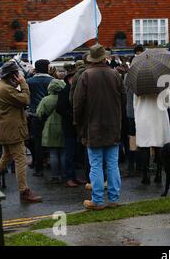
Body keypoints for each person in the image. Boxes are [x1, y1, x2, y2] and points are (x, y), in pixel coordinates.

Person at [73, 44, 126, 210]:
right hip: (112, 125)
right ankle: (114, 198)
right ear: (104, 58)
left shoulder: (86, 75)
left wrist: (78, 124)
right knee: (112, 164)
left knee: (95, 164)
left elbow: (78, 104)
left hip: (93, 126)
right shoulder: (115, 74)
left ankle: (97, 200)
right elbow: (123, 100)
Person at [0, 62, 42, 203]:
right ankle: (24, 191)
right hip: (12, 131)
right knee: (20, 159)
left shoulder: (4, 87)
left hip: (7, 130)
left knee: (5, 158)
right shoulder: (6, 89)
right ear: (12, 76)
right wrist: (23, 83)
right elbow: (25, 99)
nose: (19, 77)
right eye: (17, 75)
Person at [56, 69, 85, 187]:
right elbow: (59, 109)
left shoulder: (77, 90)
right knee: (70, 153)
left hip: (77, 125)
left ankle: (74, 176)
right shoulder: (64, 91)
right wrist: (73, 116)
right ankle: (69, 177)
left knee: (76, 153)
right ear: (69, 79)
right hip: (69, 126)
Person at [37, 79, 67, 184]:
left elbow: (39, 113)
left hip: (50, 128)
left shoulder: (46, 99)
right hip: (63, 126)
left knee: (53, 153)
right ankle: (64, 175)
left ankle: (55, 176)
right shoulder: (65, 97)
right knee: (63, 153)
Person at [26, 59, 53, 176]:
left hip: (34, 114)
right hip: (50, 114)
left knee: (37, 140)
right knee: (51, 140)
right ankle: (52, 163)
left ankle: (39, 168)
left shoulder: (29, 81)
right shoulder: (52, 80)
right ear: (47, 67)